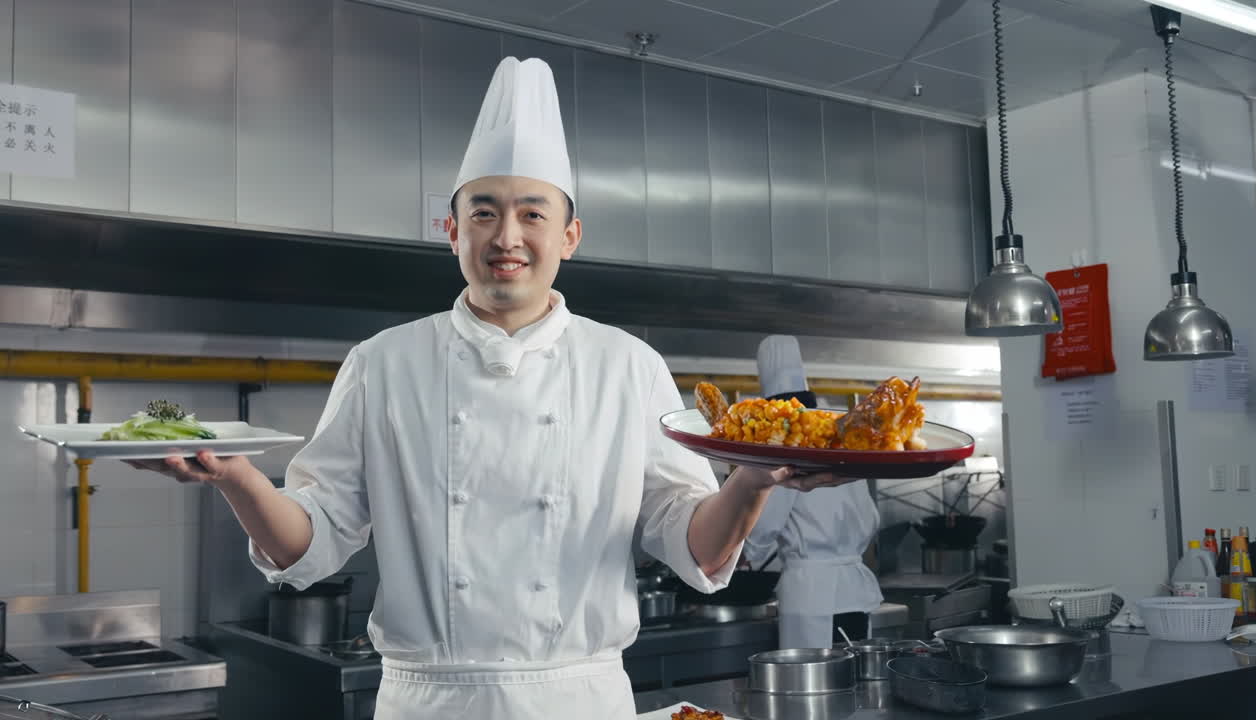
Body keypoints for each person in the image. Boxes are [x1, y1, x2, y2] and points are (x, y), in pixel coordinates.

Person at [128, 58, 855, 717]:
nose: (506, 236)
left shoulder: (627, 365)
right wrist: (240, 479)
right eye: (484, 212)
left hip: (581, 700)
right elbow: (309, 544)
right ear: (452, 230)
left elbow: (692, 547)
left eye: (532, 213)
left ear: (569, 236)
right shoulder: (382, 364)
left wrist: (751, 482)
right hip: (429, 702)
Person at [742, 335, 883, 649]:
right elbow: (871, 518)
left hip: (812, 594)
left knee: (815, 685)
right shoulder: (836, 436)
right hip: (854, 590)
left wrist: (748, 552)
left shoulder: (785, 443)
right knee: (854, 681)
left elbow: (764, 524)